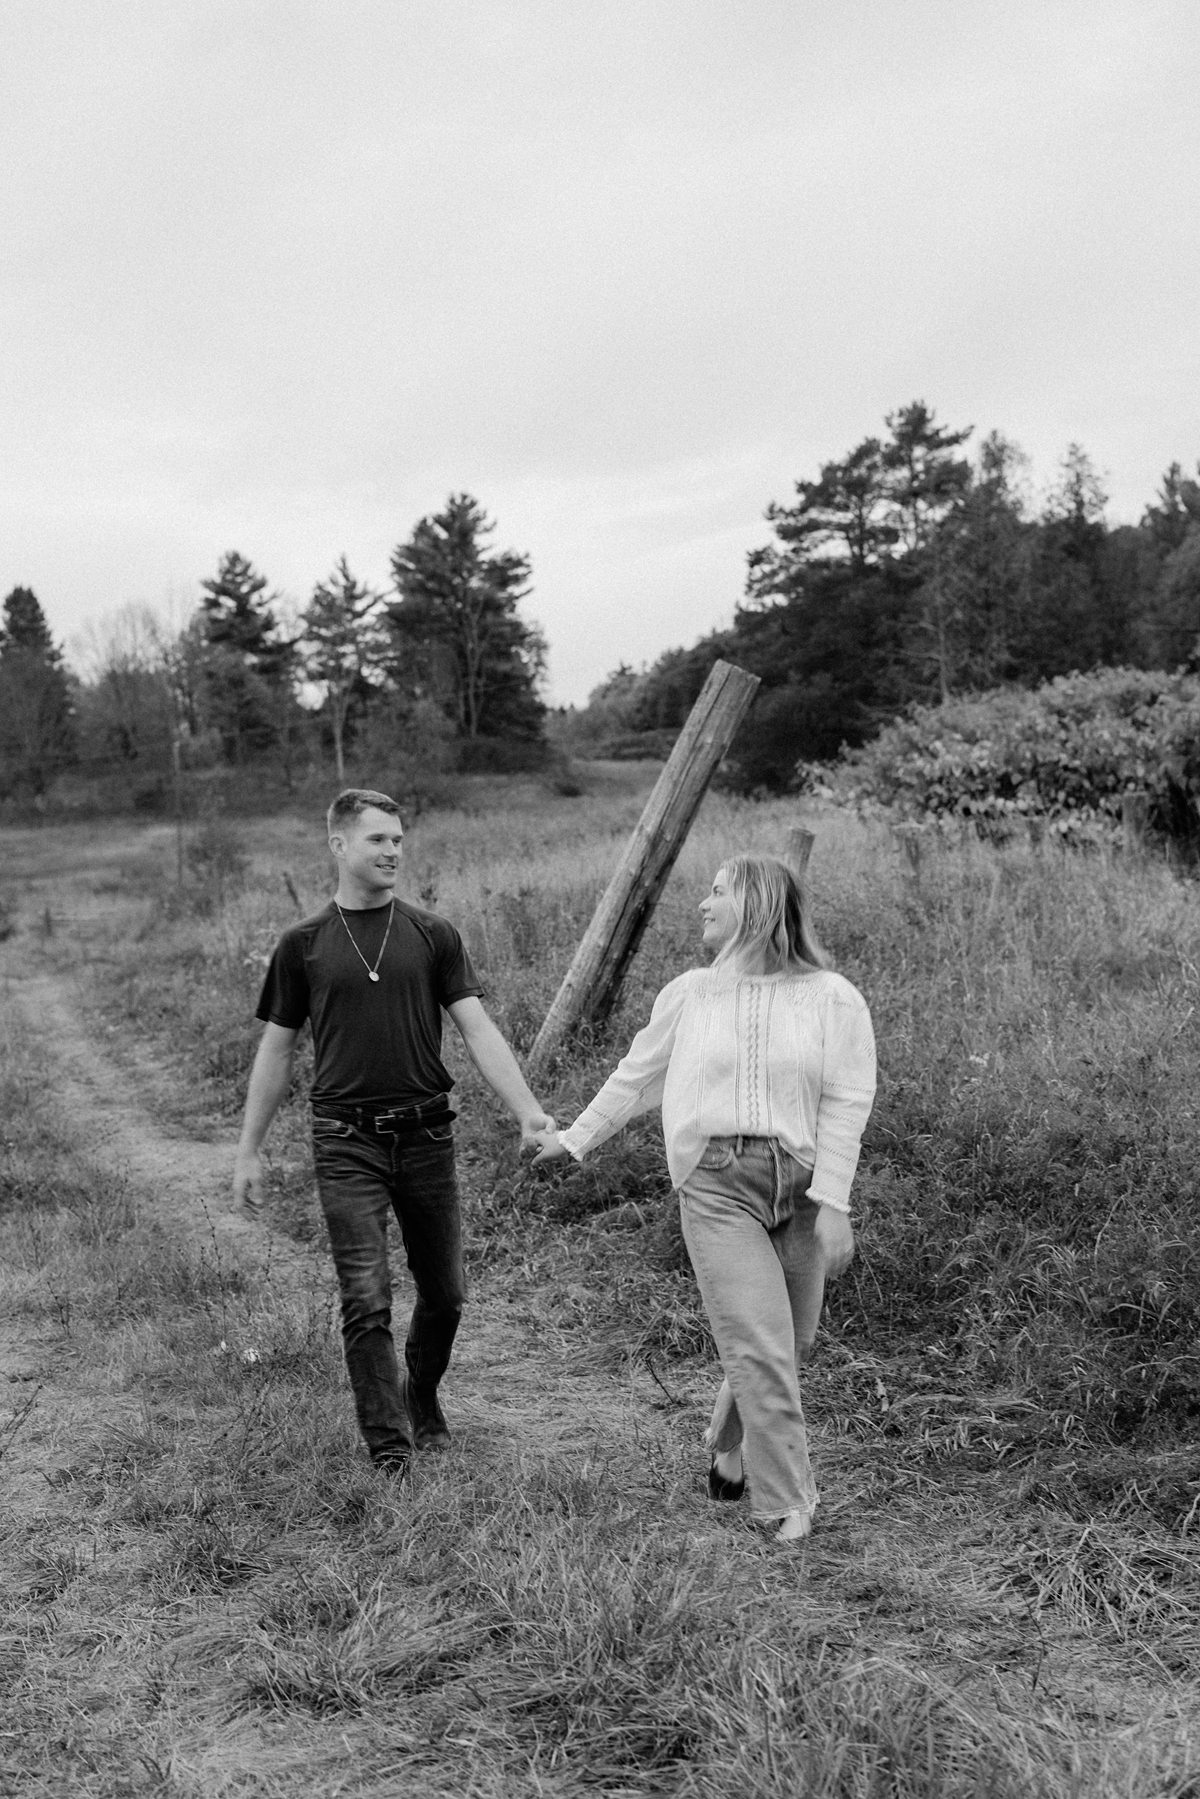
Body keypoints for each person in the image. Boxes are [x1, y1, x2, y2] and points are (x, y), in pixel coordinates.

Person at [533, 853, 876, 1542]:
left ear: (753, 905)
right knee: (762, 1345)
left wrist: (834, 1201)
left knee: (789, 1341)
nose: (702, 904)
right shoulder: (690, 992)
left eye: (717, 892)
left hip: (805, 1189)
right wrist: (573, 1140)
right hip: (717, 1184)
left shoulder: (833, 996)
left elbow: (847, 1100)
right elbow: (635, 1078)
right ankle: (788, 1504)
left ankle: (725, 1438)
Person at [233, 788, 555, 1475]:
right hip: (346, 1137)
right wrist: (249, 1149)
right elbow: (278, 1048)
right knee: (366, 1295)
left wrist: (526, 1108)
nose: (392, 851)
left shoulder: (432, 933)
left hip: (427, 1136)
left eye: (399, 840)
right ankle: (390, 1450)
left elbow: (476, 1028)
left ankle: (422, 1394)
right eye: (378, 839)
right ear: (339, 845)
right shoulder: (304, 946)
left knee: (446, 1292)